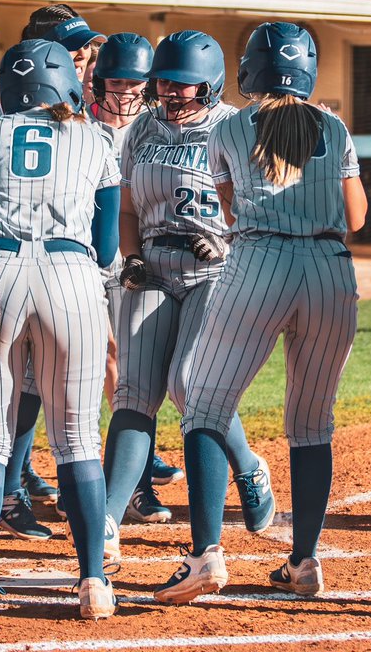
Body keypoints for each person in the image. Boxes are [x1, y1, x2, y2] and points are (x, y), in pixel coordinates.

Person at [157, 22, 367, 604]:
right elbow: (358, 217)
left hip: (258, 259)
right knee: (311, 423)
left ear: (249, 71)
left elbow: (227, 205)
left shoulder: (229, 126)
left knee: (204, 403)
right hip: (330, 268)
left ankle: (204, 557)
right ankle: (305, 562)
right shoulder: (335, 126)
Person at [0, 39, 121, 625]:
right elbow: (110, 244)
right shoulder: (95, 138)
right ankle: (94, 582)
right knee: (75, 439)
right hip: (71, 275)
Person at [102, 29, 274, 554]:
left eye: (184, 84)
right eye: (164, 82)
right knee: (134, 390)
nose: (171, 92)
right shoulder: (140, 132)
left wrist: (229, 247)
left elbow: (266, 207)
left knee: (190, 380)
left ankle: (248, 467)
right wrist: (130, 257)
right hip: (153, 263)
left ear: (212, 86)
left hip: (216, 268)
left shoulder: (238, 128)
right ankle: (106, 520)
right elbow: (129, 209)